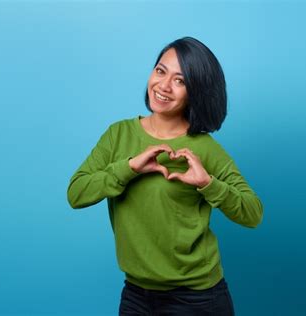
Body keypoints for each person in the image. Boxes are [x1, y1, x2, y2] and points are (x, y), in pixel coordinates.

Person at [67, 36, 263, 316]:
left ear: (196, 91)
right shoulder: (118, 135)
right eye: (161, 71)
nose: (164, 86)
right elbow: (77, 194)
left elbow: (253, 213)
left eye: (180, 81)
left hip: (197, 299)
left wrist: (208, 184)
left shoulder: (205, 149)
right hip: (136, 294)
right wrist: (129, 168)